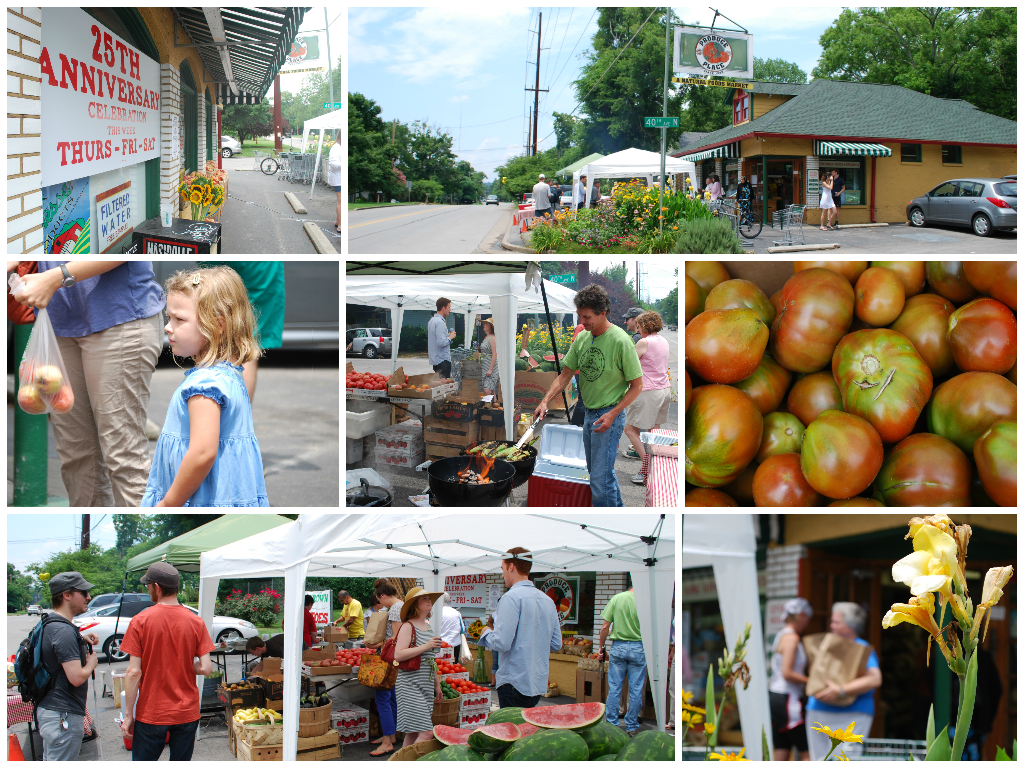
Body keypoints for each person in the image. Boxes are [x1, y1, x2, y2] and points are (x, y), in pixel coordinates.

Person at [10, 260, 164, 506]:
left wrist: (56, 277)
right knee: (77, 456)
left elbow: (125, 238)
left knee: (123, 455)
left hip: (118, 315)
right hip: (58, 323)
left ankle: (140, 527)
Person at [141, 268, 268, 507]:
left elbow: (202, 453)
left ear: (217, 324)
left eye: (179, 319)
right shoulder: (231, 375)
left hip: (201, 500)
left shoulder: (205, 384)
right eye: (169, 318)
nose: (168, 327)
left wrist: (169, 504)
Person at [533, 284, 643, 507]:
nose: (582, 322)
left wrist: (613, 414)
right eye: (580, 316)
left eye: (587, 316)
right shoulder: (583, 338)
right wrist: (545, 401)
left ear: (603, 313)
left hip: (608, 417)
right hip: (589, 415)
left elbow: (637, 386)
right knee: (598, 475)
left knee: (600, 480)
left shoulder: (621, 341)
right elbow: (565, 374)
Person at [120, 562, 214, 761]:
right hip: (187, 712)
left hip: (152, 713)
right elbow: (206, 668)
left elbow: (133, 672)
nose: (148, 590)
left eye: (148, 586)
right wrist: (183, 664)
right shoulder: (196, 622)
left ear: (157, 587)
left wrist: (128, 715)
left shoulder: (140, 621)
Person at [476, 548, 562, 708]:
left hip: (513, 683)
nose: (502, 575)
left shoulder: (510, 597)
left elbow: (502, 643)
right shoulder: (548, 600)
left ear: (511, 567)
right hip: (537, 684)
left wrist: (486, 633)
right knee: (527, 730)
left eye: (502, 569)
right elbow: (556, 643)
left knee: (512, 731)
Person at [197, 261, 285, 403]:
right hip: (256, 265)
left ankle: (203, 410)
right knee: (247, 340)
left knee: (210, 326)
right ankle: (236, 419)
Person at [804, 602, 882, 760]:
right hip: (818, 710)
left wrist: (841, 691)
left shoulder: (861, 648)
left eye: (836, 622)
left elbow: (875, 678)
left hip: (853, 714)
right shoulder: (827, 643)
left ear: (851, 626)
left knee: (846, 760)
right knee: (819, 760)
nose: (831, 626)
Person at [36, 572, 100, 761]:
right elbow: (77, 677)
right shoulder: (63, 630)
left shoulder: (51, 622)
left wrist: (80, 639)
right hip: (62, 715)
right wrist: (91, 663)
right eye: (84, 592)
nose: (88, 597)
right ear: (66, 595)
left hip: (51, 710)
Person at [623, 311, 671, 485]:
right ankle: (659, 470)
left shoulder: (644, 342)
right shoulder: (663, 341)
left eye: (638, 325)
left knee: (630, 429)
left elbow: (629, 365)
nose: (637, 328)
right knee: (654, 434)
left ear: (642, 325)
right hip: (664, 390)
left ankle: (649, 469)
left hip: (648, 392)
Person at [394, 587, 444, 747]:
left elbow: (431, 660)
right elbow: (398, 654)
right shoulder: (408, 626)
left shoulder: (429, 628)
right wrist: (426, 646)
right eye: (424, 598)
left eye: (429, 598)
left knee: (413, 732)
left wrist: (437, 685)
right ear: (415, 604)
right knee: (427, 732)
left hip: (426, 686)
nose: (429, 600)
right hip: (409, 685)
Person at [769, 598, 814, 761]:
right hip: (788, 698)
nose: (807, 624)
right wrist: (811, 681)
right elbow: (787, 673)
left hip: (777, 696)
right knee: (807, 751)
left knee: (782, 748)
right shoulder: (792, 638)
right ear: (802, 615)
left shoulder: (781, 635)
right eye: (808, 619)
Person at [598, 583, 644, 736]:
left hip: (618, 647)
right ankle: (631, 726)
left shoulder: (617, 598)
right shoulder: (644, 602)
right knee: (636, 689)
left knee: (615, 687)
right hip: (639, 647)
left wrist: (601, 647)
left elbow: (605, 627)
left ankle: (612, 724)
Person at [368, 580, 403, 756]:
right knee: (391, 698)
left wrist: (378, 643)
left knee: (382, 698)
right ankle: (391, 735)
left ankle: (388, 741)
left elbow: (396, 638)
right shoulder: (401, 605)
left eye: (379, 599)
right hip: (396, 661)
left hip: (390, 660)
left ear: (382, 596)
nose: (380, 604)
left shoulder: (395, 608)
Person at [427, 297, 457, 379]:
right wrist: (450, 337)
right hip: (442, 360)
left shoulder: (432, 321)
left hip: (436, 360)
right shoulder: (440, 322)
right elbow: (441, 343)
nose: (450, 310)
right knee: (444, 388)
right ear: (443, 308)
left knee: (439, 387)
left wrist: (447, 337)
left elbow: (436, 340)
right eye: (449, 307)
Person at [479, 317, 500, 397]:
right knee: (491, 390)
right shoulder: (486, 338)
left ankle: (489, 406)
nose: (484, 325)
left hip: (491, 366)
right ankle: (493, 407)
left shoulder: (493, 338)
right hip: (485, 365)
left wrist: (490, 369)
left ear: (491, 326)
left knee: (487, 390)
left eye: (486, 323)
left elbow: (495, 354)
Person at [439, 593, 463, 658]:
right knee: (453, 666)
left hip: (440, 645)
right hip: (454, 645)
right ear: (450, 600)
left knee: (441, 666)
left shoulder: (437, 612)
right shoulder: (457, 612)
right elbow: (462, 629)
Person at [329, 129, 342, 233]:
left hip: (341, 177)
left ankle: (337, 220)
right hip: (338, 178)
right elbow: (333, 164)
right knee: (341, 200)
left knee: (340, 200)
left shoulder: (341, 147)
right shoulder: (335, 148)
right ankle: (341, 225)